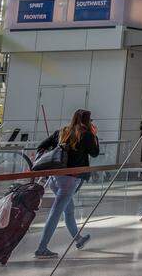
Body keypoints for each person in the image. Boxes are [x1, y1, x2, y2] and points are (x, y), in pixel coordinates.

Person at [33, 109, 100, 259]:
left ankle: (78, 239)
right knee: (56, 213)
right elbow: (95, 153)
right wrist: (94, 135)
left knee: (69, 210)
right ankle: (41, 248)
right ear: (88, 121)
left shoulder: (61, 132)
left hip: (55, 179)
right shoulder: (86, 134)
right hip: (70, 180)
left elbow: (41, 146)